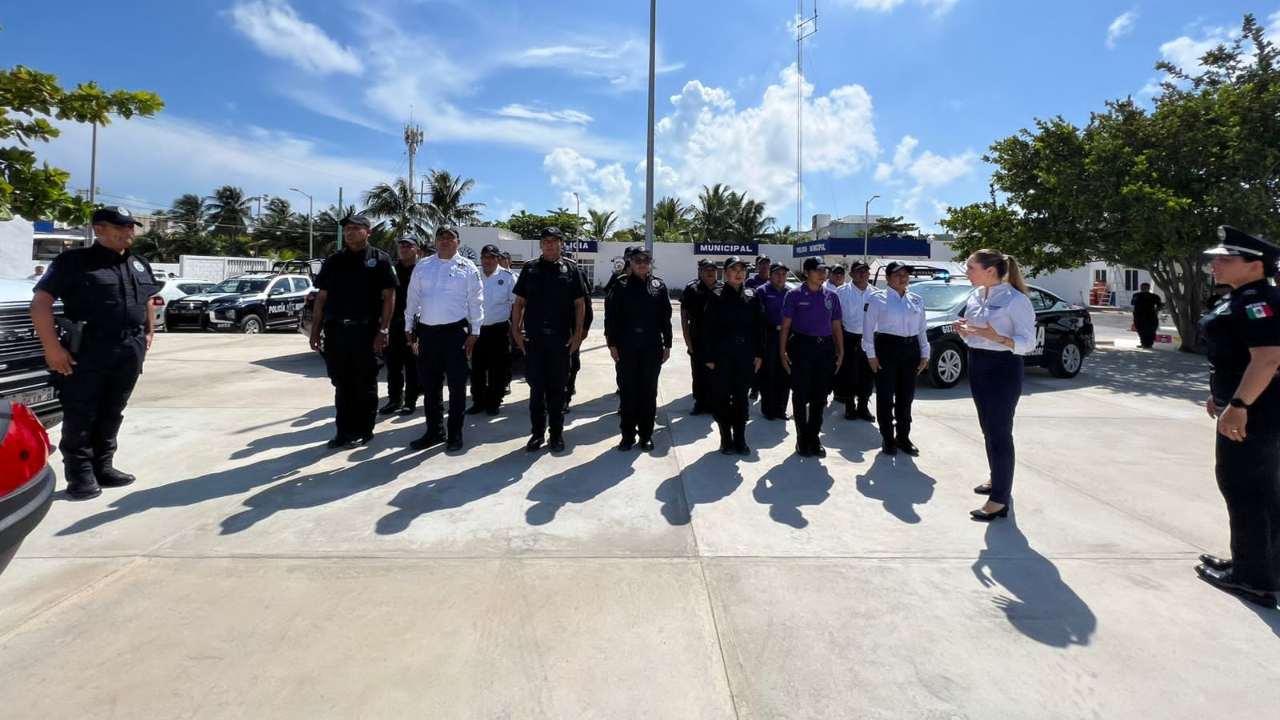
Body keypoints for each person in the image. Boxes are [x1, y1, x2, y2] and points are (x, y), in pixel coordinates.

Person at [30, 206, 159, 500]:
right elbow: (40, 304)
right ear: (99, 229)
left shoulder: (138, 263)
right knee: (81, 412)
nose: (129, 232)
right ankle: (80, 475)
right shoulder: (73, 262)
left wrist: (149, 332)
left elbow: (147, 298)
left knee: (113, 410)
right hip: (88, 349)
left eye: (131, 227)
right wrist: (52, 348)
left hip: (129, 348)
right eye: (121, 227)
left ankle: (103, 466)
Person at [1195, 226, 1280, 608]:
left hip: (1256, 411)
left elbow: (1268, 358)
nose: (1215, 263)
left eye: (1226, 258)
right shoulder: (1245, 296)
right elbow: (1237, 357)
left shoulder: (1257, 300)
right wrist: (1222, 396)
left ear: (1254, 265)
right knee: (1259, 488)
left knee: (1244, 486)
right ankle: (1258, 564)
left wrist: (1239, 405)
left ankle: (1252, 578)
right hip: (1249, 403)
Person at [955, 250, 1037, 522]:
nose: (967, 272)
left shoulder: (1016, 300)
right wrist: (965, 332)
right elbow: (976, 335)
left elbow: (1029, 342)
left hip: (1004, 367)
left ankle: (1000, 500)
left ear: (990, 271)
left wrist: (1000, 339)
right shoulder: (976, 296)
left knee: (1000, 432)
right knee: (987, 427)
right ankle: (997, 477)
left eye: (971, 267)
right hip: (978, 363)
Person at [309, 214, 397, 449]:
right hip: (337, 331)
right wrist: (315, 329)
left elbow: (389, 298)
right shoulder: (334, 260)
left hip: (366, 330)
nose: (349, 232)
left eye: (355, 228)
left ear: (368, 232)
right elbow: (322, 297)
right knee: (341, 382)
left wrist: (384, 330)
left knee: (365, 382)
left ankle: (364, 429)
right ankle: (343, 431)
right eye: (347, 229)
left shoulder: (380, 259)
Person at [404, 225, 484, 452]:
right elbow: (413, 298)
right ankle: (434, 431)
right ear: (436, 241)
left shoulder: (468, 268)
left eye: (451, 237)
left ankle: (455, 434)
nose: (446, 241)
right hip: (427, 334)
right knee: (430, 387)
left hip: (455, 334)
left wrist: (475, 332)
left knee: (457, 388)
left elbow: (475, 301)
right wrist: (409, 325)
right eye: (441, 237)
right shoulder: (423, 266)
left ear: (458, 242)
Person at [511, 227, 586, 452]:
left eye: (554, 241)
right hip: (534, 340)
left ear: (561, 244)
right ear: (541, 244)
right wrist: (515, 330)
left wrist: (578, 335)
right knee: (536, 390)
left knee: (558, 390)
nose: (550, 245)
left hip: (560, 340)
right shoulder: (530, 268)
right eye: (546, 241)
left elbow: (580, 304)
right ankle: (536, 434)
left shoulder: (571, 269)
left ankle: (556, 435)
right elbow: (519, 303)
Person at [604, 246, 672, 451]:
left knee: (648, 393)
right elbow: (611, 318)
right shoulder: (620, 285)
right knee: (628, 392)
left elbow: (665, 319)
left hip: (651, 346)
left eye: (646, 260)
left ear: (650, 262)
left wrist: (667, 344)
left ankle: (646, 435)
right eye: (637, 260)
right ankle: (627, 436)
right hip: (627, 345)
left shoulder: (659, 286)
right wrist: (612, 344)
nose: (642, 263)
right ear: (630, 263)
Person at [863, 261, 929, 456]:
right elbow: (868, 330)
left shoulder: (916, 299)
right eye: (898, 274)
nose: (903, 278)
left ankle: (903, 437)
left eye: (905, 274)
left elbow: (921, 328)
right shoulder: (877, 299)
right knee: (885, 396)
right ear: (889, 278)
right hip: (887, 348)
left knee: (906, 396)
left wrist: (925, 352)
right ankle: (888, 438)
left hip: (910, 350)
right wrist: (871, 355)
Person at [780, 258, 844, 457]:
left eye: (824, 270)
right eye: (817, 270)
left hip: (824, 348)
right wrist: (782, 352)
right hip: (801, 347)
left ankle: (814, 437)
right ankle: (801, 438)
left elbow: (836, 326)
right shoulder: (794, 295)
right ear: (806, 272)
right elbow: (786, 326)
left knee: (820, 396)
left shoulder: (831, 296)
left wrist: (840, 351)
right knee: (800, 395)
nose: (822, 274)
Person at [702, 256, 765, 455]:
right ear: (726, 273)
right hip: (722, 357)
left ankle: (740, 439)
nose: (738, 273)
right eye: (734, 270)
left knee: (741, 399)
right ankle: (726, 439)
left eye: (742, 270)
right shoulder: (716, 295)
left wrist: (759, 354)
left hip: (745, 356)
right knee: (721, 398)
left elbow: (759, 327)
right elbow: (707, 329)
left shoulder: (752, 295)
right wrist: (709, 357)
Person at [468, 244, 515, 417]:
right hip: (476, 330)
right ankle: (478, 401)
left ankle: (494, 402)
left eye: (491, 257)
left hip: (498, 330)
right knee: (477, 368)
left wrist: (516, 328)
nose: (487, 260)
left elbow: (515, 304)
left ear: (497, 259)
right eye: (484, 257)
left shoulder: (508, 277)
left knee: (498, 369)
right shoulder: (472, 274)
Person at [380, 236, 423, 416]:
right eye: (402, 245)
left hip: (415, 324)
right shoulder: (392, 269)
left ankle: (410, 401)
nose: (404, 249)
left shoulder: (422, 270)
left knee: (412, 365)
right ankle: (394, 399)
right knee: (393, 365)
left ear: (417, 250)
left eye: (408, 246)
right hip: (394, 323)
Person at [834, 261, 876, 421]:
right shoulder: (841, 292)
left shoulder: (875, 293)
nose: (863, 274)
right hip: (848, 337)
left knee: (867, 375)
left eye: (865, 271)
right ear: (851, 274)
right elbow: (836, 319)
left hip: (868, 338)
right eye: (859, 271)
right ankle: (850, 406)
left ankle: (863, 406)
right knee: (849, 374)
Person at [681, 259, 720, 415]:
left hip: (717, 340)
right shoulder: (692, 289)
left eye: (713, 270)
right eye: (706, 270)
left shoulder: (723, 289)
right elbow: (684, 317)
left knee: (716, 372)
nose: (710, 272)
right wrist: (688, 341)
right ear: (700, 272)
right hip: (697, 337)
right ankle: (700, 402)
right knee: (698, 372)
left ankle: (714, 402)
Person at [757, 263, 791, 421]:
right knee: (769, 374)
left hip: (787, 337)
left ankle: (780, 409)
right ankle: (768, 409)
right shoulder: (762, 291)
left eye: (783, 274)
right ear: (770, 275)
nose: (781, 277)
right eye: (777, 274)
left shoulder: (790, 292)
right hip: (768, 337)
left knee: (784, 373)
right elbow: (758, 316)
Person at [563, 249, 594, 412]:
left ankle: (565, 396)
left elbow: (586, 303)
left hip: (571, 327)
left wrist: (584, 328)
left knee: (571, 362)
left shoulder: (577, 273)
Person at [1131, 282, 1164, 349]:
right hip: (1141, 316)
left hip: (1149, 316)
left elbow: (1159, 306)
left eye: (1145, 288)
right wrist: (1156, 310)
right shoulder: (1137, 295)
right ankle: (1145, 344)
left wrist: (1156, 311)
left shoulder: (1153, 296)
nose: (1144, 289)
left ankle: (1148, 344)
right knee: (1142, 330)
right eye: (1143, 288)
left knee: (1149, 331)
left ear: (1148, 288)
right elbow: (1133, 303)